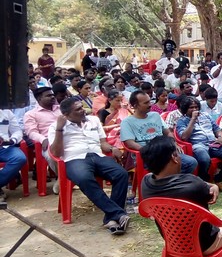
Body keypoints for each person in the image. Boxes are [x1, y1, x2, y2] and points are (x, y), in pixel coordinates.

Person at [140, 136, 222, 257]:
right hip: (206, 244)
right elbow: (206, 191)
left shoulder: (146, 182)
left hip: (173, 241)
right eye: (178, 151)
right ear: (174, 158)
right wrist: (213, 186)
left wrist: (210, 186)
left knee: (190, 228)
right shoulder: (192, 184)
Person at [48, 98, 130, 234]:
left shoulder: (94, 120)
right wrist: (59, 129)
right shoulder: (56, 126)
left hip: (97, 155)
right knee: (85, 178)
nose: (83, 111)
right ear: (66, 114)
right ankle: (118, 214)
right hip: (74, 159)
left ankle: (112, 218)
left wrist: (111, 148)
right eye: (78, 109)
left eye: (82, 107)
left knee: (121, 174)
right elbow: (56, 153)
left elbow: (103, 143)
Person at [120, 91, 197, 174]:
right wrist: (149, 151)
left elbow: (168, 133)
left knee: (191, 162)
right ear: (135, 106)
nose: (150, 104)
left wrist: (173, 143)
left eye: (150, 101)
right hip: (147, 155)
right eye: (146, 103)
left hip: (164, 150)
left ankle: (170, 183)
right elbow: (130, 143)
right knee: (171, 166)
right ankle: (168, 183)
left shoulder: (155, 115)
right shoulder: (127, 122)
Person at [175, 97, 222, 192]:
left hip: (213, 143)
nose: (195, 109)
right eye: (191, 107)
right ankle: (204, 182)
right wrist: (193, 119)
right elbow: (184, 137)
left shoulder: (206, 115)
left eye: (196, 107)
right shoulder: (182, 121)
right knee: (204, 159)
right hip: (198, 145)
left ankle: (218, 179)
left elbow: (217, 129)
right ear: (185, 109)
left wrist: (220, 137)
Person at [24, 87, 62, 185]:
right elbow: (31, 132)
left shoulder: (61, 109)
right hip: (49, 140)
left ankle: (65, 179)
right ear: (39, 98)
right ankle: (64, 178)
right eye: (49, 95)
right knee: (51, 155)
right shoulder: (31, 114)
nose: (53, 97)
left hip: (67, 136)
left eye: (53, 94)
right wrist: (43, 139)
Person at [0, 109, 28, 201]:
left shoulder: (6, 113)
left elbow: (17, 131)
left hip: (4, 147)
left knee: (19, 158)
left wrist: (12, 140)